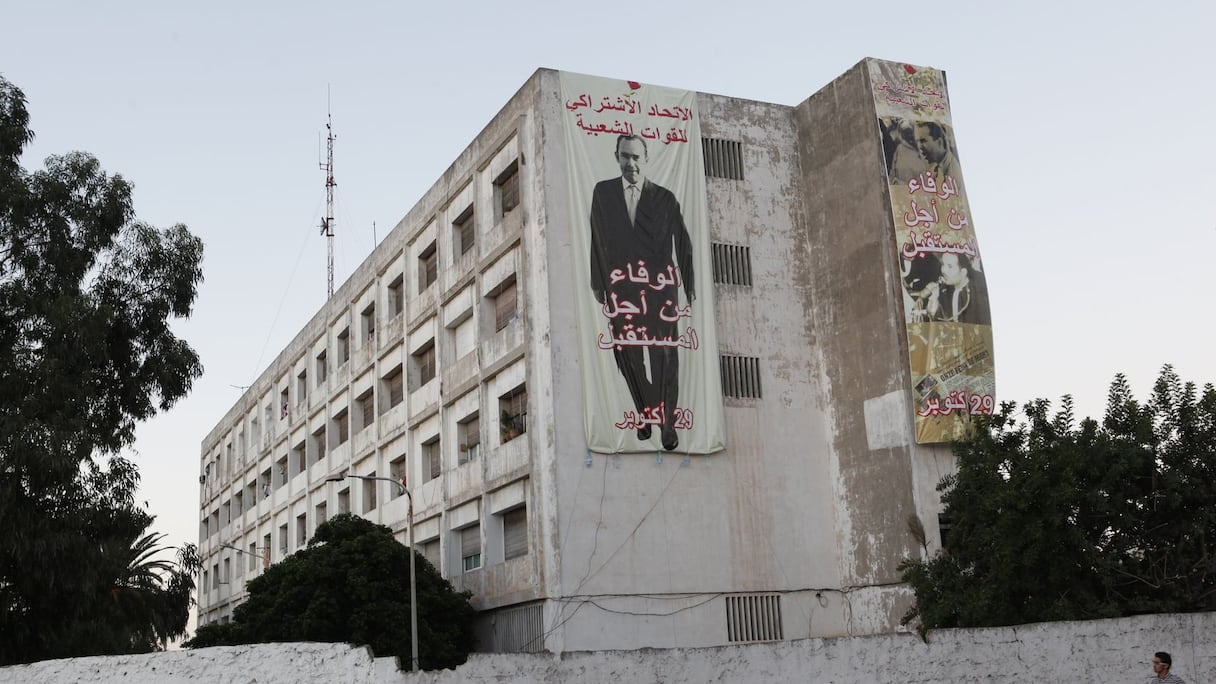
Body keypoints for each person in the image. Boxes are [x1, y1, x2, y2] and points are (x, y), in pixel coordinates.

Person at [589, 134, 695, 451]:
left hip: (660, 291)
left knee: (663, 357)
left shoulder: (664, 198)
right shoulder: (603, 193)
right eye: (625, 156)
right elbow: (595, 237)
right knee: (628, 356)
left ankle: (668, 424)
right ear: (617, 156)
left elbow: (685, 245)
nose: (630, 163)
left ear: (645, 160)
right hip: (622, 289)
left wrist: (691, 290)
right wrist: (598, 284)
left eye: (636, 157)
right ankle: (645, 411)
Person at [920, 252, 990, 325]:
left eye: (950, 266)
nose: (943, 270)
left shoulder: (978, 294)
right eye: (943, 264)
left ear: (963, 272)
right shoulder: (944, 290)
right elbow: (937, 320)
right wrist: (934, 299)